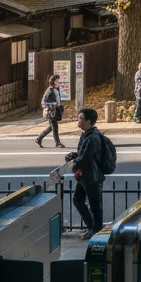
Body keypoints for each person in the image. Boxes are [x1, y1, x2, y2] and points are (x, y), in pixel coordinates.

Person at [67, 108, 106, 239]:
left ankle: (96, 230)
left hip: (92, 176)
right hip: (85, 176)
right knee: (78, 200)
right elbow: (81, 154)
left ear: (89, 121)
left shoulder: (92, 138)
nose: (79, 121)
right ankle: (92, 227)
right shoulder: (86, 135)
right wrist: (73, 156)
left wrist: (73, 163)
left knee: (95, 206)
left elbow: (85, 158)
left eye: (81, 118)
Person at [36, 74, 66, 147]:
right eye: (58, 80)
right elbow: (43, 102)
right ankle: (57, 143)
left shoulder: (56, 89)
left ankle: (39, 138)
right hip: (51, 112)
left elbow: (58, 101)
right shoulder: (50, 89)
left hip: (55, 111)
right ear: (55, 81)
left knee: (51, 127)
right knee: (54, 126)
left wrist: (60, 106)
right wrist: (53, 105)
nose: (59, 82)